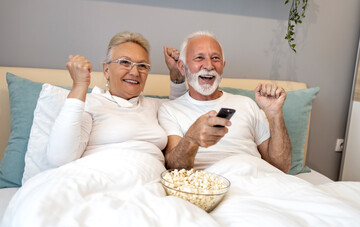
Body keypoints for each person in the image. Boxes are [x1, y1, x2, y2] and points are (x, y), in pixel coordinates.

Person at [159, 30, 292, 173]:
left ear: (223, 65)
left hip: (255, 179)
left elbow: (281, 167)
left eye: (215, 58)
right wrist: (192, 139)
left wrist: (275, 114)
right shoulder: (169, 110)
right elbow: (174, 168)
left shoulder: (246, 104)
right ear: (181, 67)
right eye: (199, 58)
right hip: (210, 186)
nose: (209, 66)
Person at [46, 31, 186, 167]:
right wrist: (79, 85)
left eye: (142, 66)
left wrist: (177, 74)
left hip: (147, 181)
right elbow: (59, 158)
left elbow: (182, 111)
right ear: (106, 70)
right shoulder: (90, 103)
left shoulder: (155, 106)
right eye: (125, 62)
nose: (135, 72)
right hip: (97, 176)